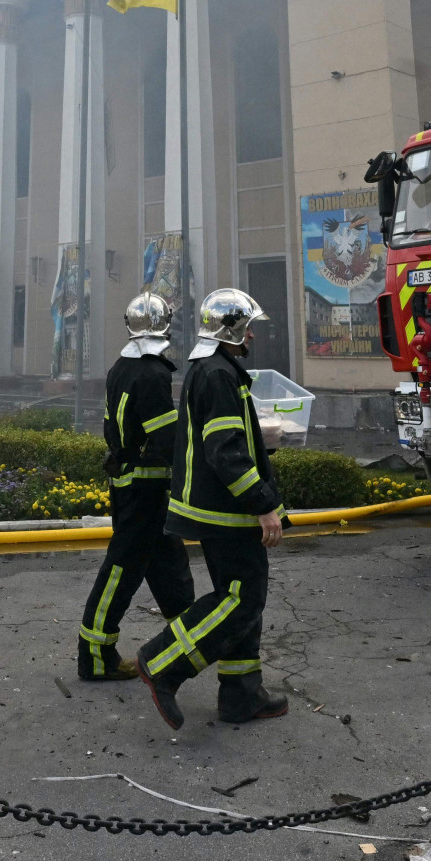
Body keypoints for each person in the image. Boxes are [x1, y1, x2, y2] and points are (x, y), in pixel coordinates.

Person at [134, 287, 288, 729]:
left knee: (241, 598)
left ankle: (241, 695)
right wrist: (263, 505)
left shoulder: (211, 370)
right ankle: (162, 661)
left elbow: (220, 442)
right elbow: (224, 450)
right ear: (231, 328)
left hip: (218, 511)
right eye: (248, 328)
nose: (252, 337)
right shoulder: (219, 374)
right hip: (229, 513)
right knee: (242, 599)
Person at [76, 292, 197, 682]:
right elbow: (166, 438)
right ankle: (95, 656)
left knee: (169, 565)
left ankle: (191, 643)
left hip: (137, 486)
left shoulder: (121, 366)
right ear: (166, 325)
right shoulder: (154, 373)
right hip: (143, 490)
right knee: (122, 570)